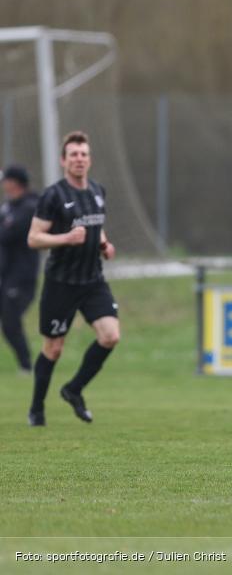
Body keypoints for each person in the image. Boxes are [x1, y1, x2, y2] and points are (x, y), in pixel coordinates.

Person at [26, 131, 120, 426]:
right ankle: (36, 409)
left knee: (110, 336)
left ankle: (73, 389)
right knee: (53, 349)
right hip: (61, 283)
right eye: (74, 155)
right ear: (63, 160)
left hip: (92, 280)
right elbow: (33, 238)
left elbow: (96, 225)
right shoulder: (53, 196)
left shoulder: (97, 191)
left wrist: (104, 244)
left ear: (89, 160)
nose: (79, 159)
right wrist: (65, 238)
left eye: (83, 154)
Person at [0, 165, 40, 374]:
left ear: (14, 182)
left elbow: (7, 234)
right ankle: (25, 364)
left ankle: (26, 366)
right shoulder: (9, 207)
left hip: (21, 277)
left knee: (10, 321)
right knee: (8, 323)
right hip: (6, 275)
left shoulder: (29, 207)